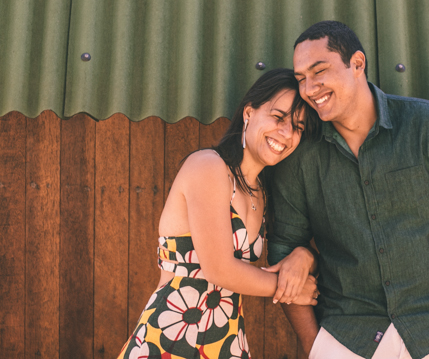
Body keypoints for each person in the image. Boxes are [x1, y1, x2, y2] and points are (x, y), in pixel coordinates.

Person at [267, 21, 429, 359]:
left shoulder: (428, 125)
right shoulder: (301, 156)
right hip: (347, 338)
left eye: (319, 71)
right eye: (301, 79)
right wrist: (313, 345)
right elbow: (284, 249)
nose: (310, 88)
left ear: (357, 64)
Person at [118, 68, 321, 359]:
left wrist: (306, 257)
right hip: (169, 338)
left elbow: (284, 253)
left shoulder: (263, 191)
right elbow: (219, 269)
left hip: (226, 341)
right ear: (249, 113)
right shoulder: (208, 166)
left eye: (298, 127)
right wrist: (290, 290)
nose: (287, 133)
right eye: (278, 118)